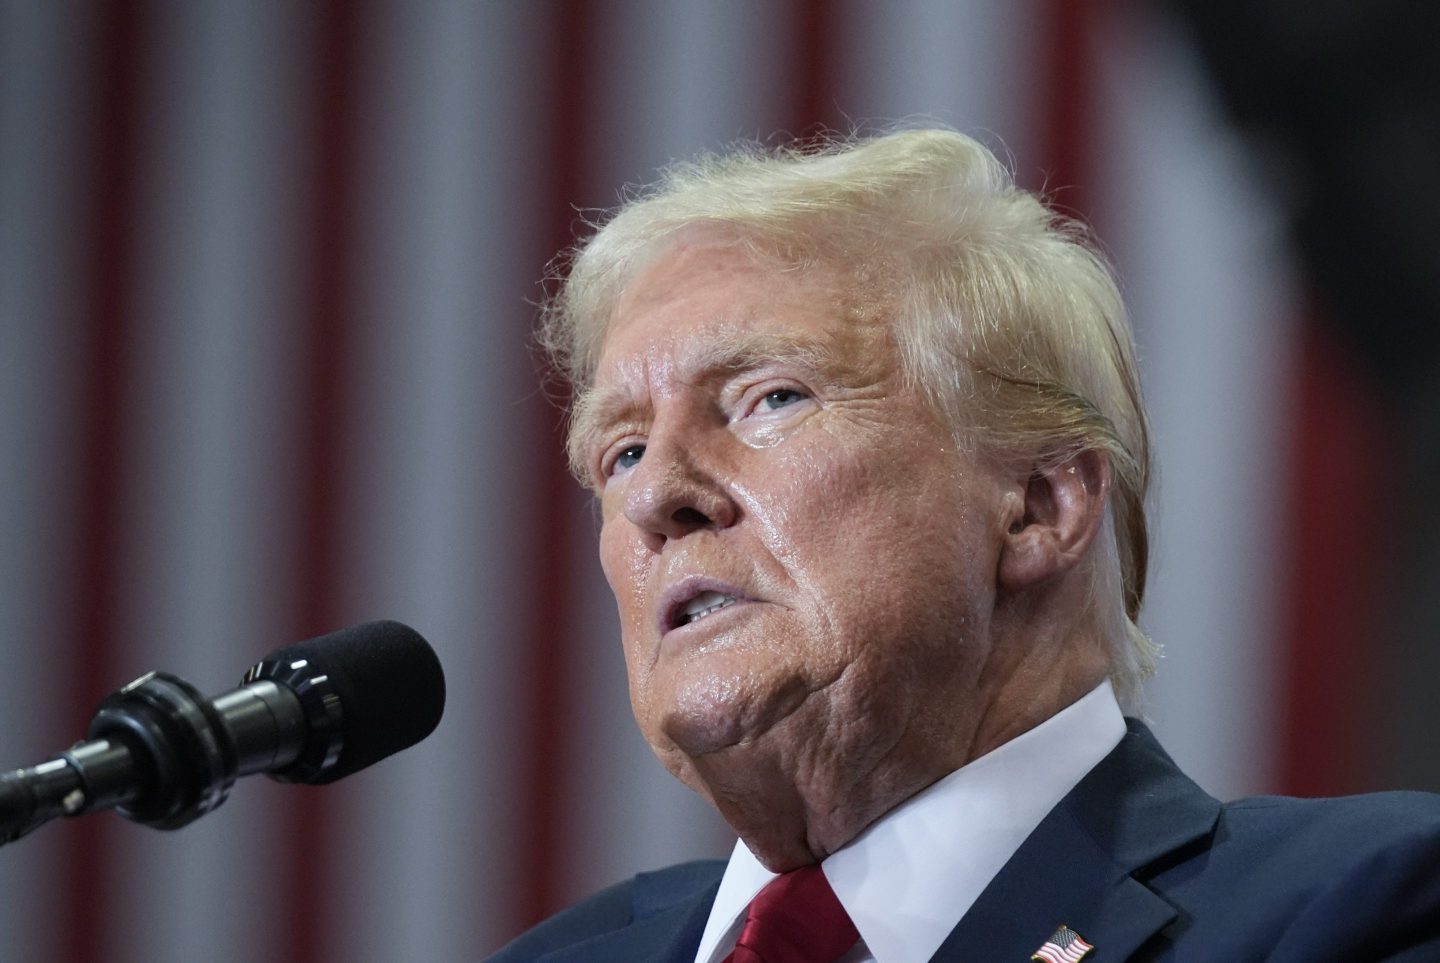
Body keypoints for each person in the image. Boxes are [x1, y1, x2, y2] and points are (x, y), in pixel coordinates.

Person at [491, 129, 1440, 962]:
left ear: (1039, 504)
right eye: (618, 452)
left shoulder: (1361, 908)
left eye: (771, 398)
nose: (657, 494)